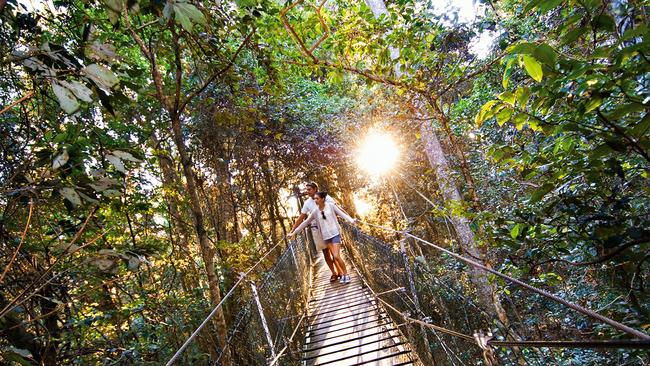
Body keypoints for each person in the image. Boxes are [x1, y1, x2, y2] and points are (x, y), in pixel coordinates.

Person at [289, 191, 356, 284]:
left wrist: (351, 220)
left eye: (317, 198)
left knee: (336, 256)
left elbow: (341, 214)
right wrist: (294, 232)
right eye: (314, 199)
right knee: (336, 257)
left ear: (322, 199)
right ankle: (344, 275)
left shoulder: (331, 206)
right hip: (326, 237)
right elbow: (305, 222)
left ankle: (346, 274)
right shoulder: (315, 211)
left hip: (335, 234)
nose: (315, 200)